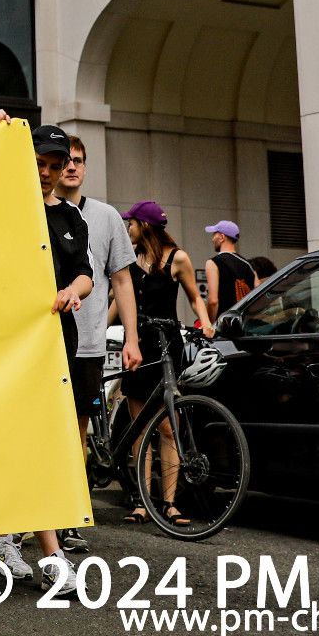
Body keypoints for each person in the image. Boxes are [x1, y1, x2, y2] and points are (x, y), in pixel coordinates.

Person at [0, 119, 92, 595]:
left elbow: (86, 273)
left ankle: (2, 535)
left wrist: (72, 292)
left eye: (53, 164)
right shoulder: (2, 206)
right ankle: (51, 552)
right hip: (8, 338)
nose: (45, 172)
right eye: (37, 163)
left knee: (38, 435)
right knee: (31, 436)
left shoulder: (71, 218)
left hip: (54, 338)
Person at [54, 135, 140, 552]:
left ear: (85, 167)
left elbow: (122, 280)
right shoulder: (42, 210)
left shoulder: (106, 217)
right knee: (42, 430)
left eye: (79, 161)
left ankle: (69, 517)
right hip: (47, 342)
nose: (72, 167)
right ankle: (26, 520)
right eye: (66, 160)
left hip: (87, 343)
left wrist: (132, 339)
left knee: (77, 433)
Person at [118, 202, 214, 527]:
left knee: (168, 428)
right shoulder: (128, 259)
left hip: (166, 344)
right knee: (138, 428)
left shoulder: (178, 258)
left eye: (130, 222)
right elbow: (120, 302)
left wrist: (206, 322)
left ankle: (169, 503)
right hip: (138, 342)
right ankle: (142, 502)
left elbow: (194, 297)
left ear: (144, 225)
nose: (127, 228)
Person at [203, 220, 257, 322]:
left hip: (223, 327)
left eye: (214, 234)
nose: (212, 239)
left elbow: (213, 301)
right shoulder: (249, 265)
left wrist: (209, 325)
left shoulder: (213, 263)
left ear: (222, 237)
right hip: (244, 326)